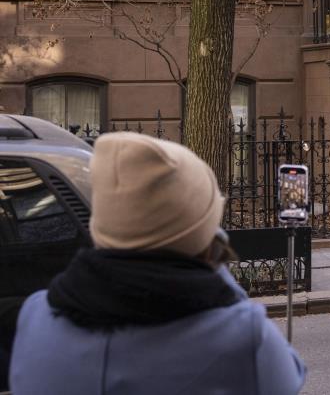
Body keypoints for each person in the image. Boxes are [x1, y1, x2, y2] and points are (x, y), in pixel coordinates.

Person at [9, 132, 306, 395]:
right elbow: (290, 378)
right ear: (201, 236)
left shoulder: (36, 316)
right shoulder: (243, 337)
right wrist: (217, 265)